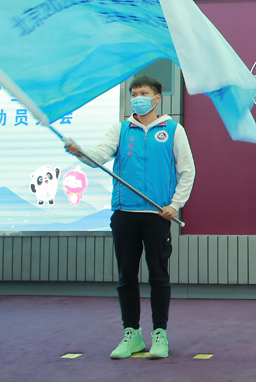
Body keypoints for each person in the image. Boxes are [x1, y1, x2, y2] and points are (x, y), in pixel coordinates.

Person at [64, 75, 195, 360]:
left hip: (157, 215)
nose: (138, 98)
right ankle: (132, 334)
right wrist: (80, 152)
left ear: (157, 98)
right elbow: (98, 157)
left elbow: (187, 171)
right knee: (126, 277)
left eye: (143, 93)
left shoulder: (173, 130)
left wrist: (175, 205)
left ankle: (159, 334)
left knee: (158, 276)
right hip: (124, 214)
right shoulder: (121, 129)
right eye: (134, 94)